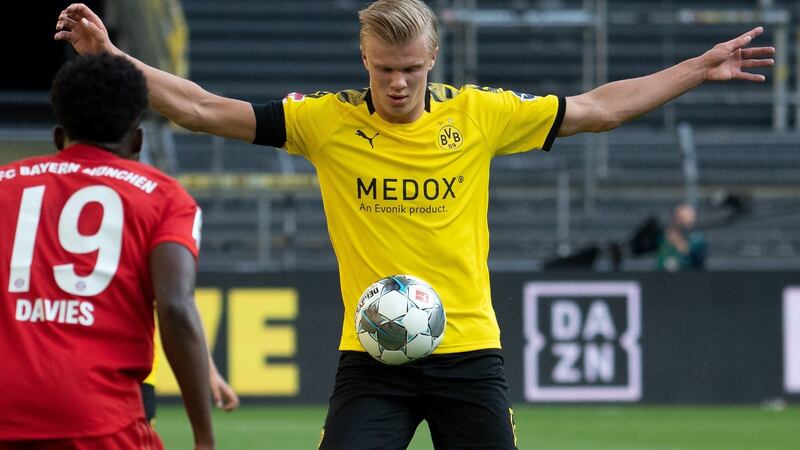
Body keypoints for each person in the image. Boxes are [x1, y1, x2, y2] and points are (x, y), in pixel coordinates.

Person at [55, 1, 774, 448]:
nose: (397, 83)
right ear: (363, 61)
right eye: (383, 69)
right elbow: (203, 108)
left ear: (432, 60)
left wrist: (694, 68)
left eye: (410, 69)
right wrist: (114, 61)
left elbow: (600, 107)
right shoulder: (325, 121)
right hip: (372, 359)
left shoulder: (481, 115)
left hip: (469, 354)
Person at [0, 54, 214, 450]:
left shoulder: (5, 183)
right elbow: (175, 307)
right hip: (98, 424)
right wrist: (204, 438)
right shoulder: (165, 197)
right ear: (137, 141)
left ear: (59, 138)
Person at [657, 203, 707, 271]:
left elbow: (698, 260)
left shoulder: (697, 239)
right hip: (662, 277)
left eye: (691, 219)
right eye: (680, 218)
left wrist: (679, 242)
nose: (688, 223)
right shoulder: (663, 236)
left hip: (689, 277)